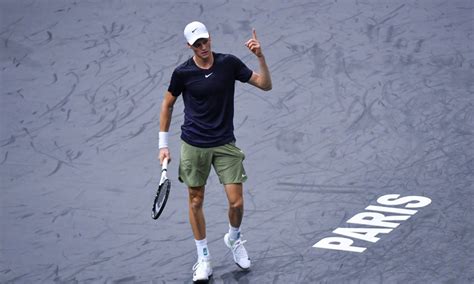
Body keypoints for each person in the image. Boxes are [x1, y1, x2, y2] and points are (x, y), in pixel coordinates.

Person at [158, 21, 272, 282]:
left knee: (237, 202)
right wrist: (162, 145)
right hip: (193, 145)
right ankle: (204, 257)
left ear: (210, 39)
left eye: (205, 41)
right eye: (197, 44)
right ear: (189, 46)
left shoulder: (229, 64)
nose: (203, 47)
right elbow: (167, 105)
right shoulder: (183, 73)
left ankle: (234, 238)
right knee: (196, 201)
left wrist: (260, 57)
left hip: (224, 144)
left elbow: (265, 85)